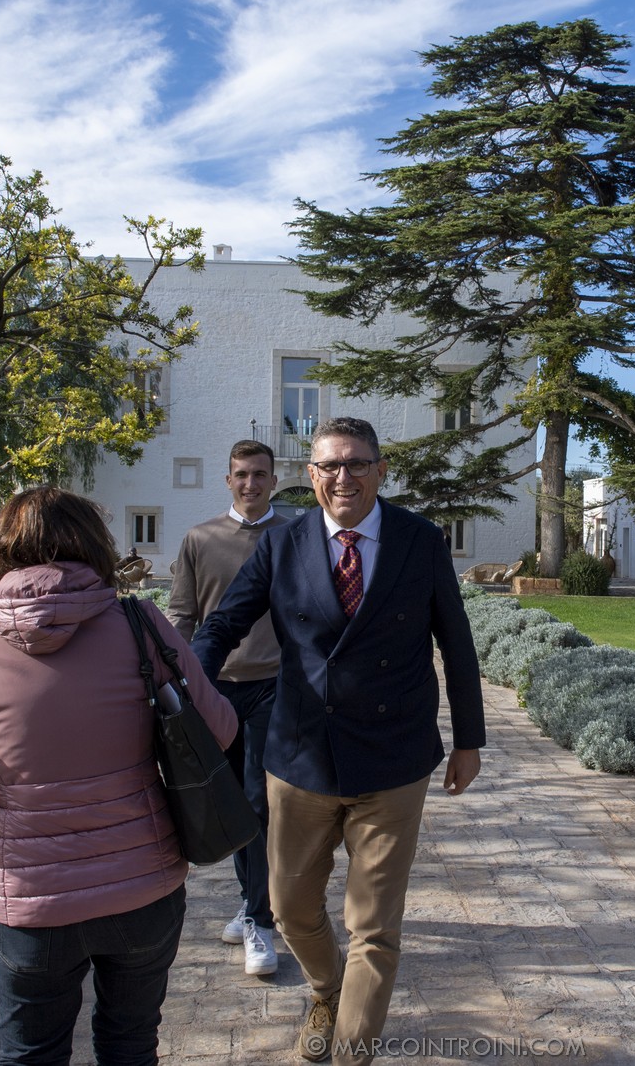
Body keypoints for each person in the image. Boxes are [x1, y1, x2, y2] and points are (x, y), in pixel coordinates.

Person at [0, 485, 237, 1066]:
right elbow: (221, 729)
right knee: (132, 1047)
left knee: (30, 1056)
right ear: (95, 546)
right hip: (144, 883)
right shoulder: (142, 625)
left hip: (31, 903)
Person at [192, 417, 485, 1066]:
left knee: (373, 928)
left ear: (381, 471)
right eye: (329, 465)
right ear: (311, 475)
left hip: (393, 757)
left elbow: (456, 642)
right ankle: (327, 991)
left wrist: (469, 740)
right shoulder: (283, 543)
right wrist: (187, 686)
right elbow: (224, 625)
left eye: (356, 464)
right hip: (300, 757)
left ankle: (353, 1052)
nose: (343, 477)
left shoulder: (420, 540)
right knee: (290, 909)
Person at [168, 438, 289, 977]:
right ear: (228, 480)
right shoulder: (200, 539)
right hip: (215, 689)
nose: (250, 483)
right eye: (241, 474)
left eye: (260, 474)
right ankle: (250, 900)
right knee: (234, 801)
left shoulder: (292, 536)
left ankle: (261, 921)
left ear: (274, 481)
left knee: (259, 800)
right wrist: (178, 682)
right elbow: (182, 615)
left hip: (274, 686)